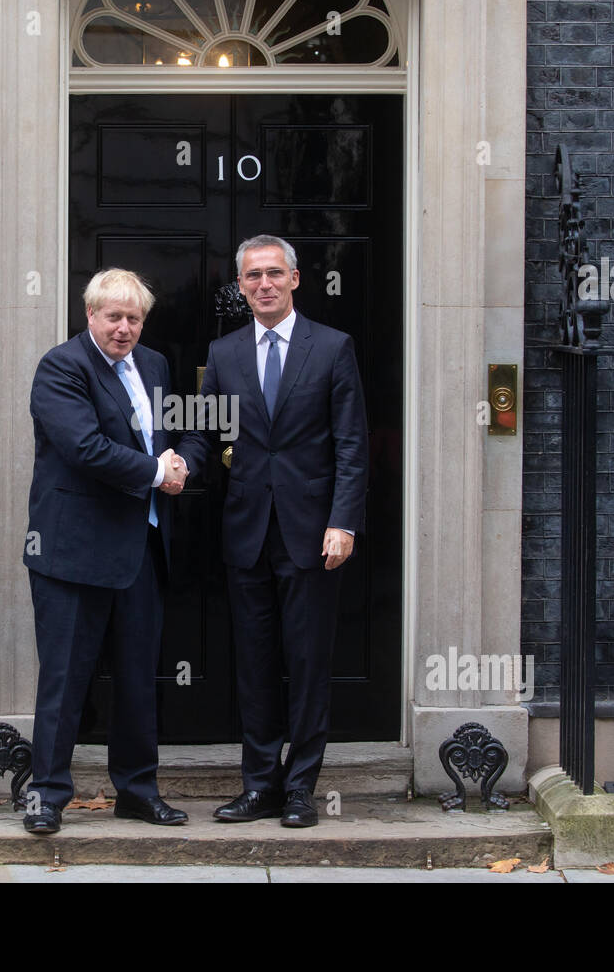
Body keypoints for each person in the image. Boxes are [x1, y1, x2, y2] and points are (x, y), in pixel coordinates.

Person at [176, 235, 368, 828]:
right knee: (254, 665)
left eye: (274, 274)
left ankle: (302, 787)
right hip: (246, 534)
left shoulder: (333, 348)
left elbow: (352, 444)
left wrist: (343, 521)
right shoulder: (225, 352)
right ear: (240, 286)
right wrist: (174, 463)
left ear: (295, 280)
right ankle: (260, 785)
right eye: (253, 276)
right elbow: (204, 431)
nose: (263, 284)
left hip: (312, 534)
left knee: (307, 663)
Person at [21, 269, 189, 834]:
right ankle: (46, 795)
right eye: (113, 316)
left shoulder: (156, 365)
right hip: (73, 553)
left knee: (139, 679)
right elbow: (86, 447)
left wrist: (184, 458)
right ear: (89, 314)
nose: (123, 328)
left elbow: (174, 430)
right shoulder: (62, 367)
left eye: (134, 318)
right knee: (65, 678)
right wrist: (154, 470)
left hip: (141, 547)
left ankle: (138, 791)